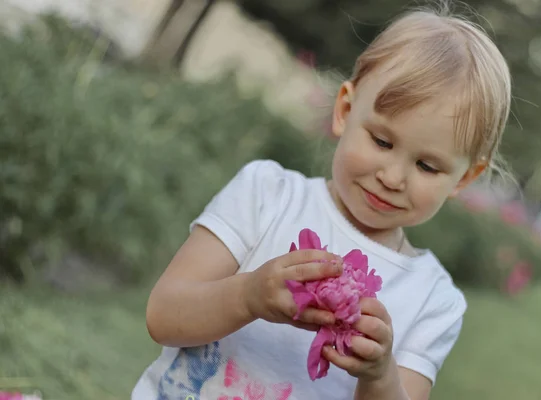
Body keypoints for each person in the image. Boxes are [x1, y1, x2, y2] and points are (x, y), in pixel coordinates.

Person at [132, 4, 512, 400]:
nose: (392, 177)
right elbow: (163, 315)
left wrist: (379, 376)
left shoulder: (433, 300)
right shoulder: (267, 195)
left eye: (427, 166)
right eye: (382, 141)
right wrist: (249, 296)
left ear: (464, 178)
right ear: (345, 111)